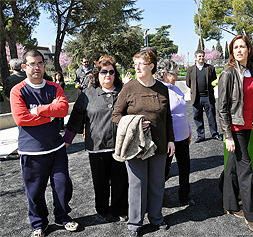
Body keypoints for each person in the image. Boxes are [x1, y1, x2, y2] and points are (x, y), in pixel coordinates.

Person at [10, 50, 79, 237]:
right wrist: (50, 115)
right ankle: (39, 224)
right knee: (35, 192)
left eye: (40, 63)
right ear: (24, 67)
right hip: (31, 151)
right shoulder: (18, 91)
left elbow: (63, 109)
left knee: (63, 185)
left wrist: (38, 110)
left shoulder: (54, 87)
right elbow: (21, 119)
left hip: (56, 148)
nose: (37, 67)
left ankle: (63, 217)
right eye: (32, 64)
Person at [112, 49, 175, 237]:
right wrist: (135, 123)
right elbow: (116, 115)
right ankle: (135, 223)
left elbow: (168, 117)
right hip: (136, 145)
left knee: (157, 183)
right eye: (136, 63)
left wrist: (171, 140)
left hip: (160, 144)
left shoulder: (162, 88)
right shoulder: (129, 87)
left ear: (152, 66)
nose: (137, 67)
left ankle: (156, 218)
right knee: (137, 185)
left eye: (142, 64)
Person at [64, 56, 128, 222]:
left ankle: (120, 209)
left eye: (111, 72)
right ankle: (102, 209)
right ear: (97, 74)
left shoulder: (124, 92)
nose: (108, 75)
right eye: (104, 72)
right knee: (100, 183)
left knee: (120, 181)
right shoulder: (88, 94)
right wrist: (67, 141)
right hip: (97, 147)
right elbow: (77, 117)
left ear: (116, 74)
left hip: (119, 146)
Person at [217, 35, 253, 233]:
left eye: (242, 47)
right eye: (235, 47)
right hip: (235, 129)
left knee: (232, 166)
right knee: (245, 170)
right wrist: (228, 135)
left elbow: (252, 100)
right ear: (232, 51)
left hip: (247, 126)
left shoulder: (251, 70)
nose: (238, 50)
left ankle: (230, 204)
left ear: (248, 49)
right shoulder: (228, 73)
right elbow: (221, 108)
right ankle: (251, 215)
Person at [155, 59, 195, 206]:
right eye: (175, 74)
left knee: (185, 168)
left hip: (183, 136)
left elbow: (182, 112)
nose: (177, 77)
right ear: (165, 74)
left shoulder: (176, 88)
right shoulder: (159, 90)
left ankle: (184, 195)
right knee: (163, 170)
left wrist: (189, 130)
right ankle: (157, 198)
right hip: (167, 138)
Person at [186, 49, 222, 143]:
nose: (201, 58)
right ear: (195, 58)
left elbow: (214, 80)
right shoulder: (190, 69)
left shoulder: (210, 68)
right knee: (197, 117)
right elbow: (188, 83)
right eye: (199, 56)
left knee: (211, 117)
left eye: (202, 56)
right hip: (196, 98)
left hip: (208, 97)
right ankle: (201, 136)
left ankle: (215, 134)